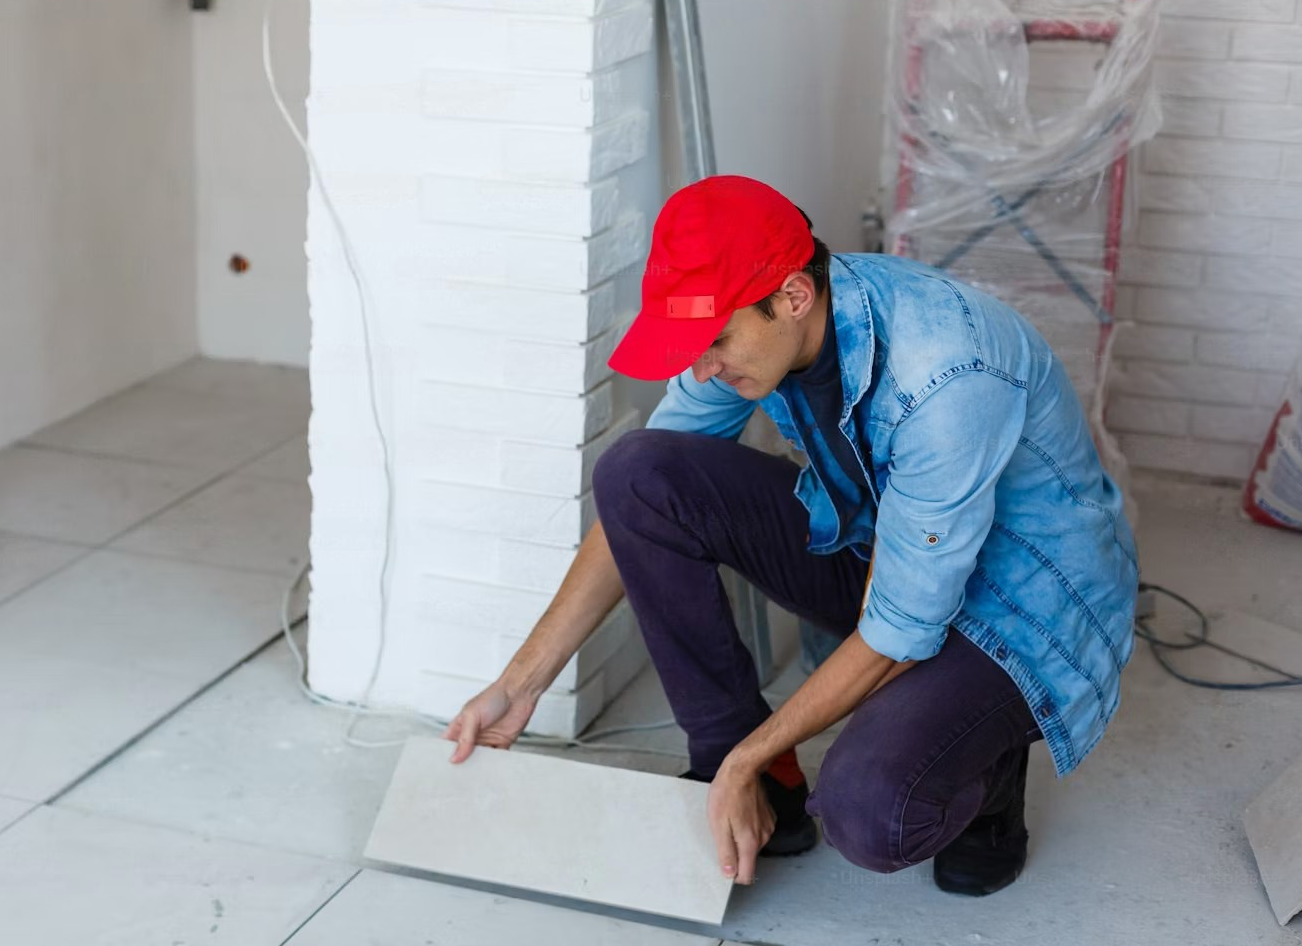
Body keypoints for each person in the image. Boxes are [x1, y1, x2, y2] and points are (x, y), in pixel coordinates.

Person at [444, 175, 1138, 896]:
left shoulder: (947, 375)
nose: (703, 365)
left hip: (1015, 614)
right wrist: (518, 685)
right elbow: (639, 502)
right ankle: (748, 777)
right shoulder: (757, 334)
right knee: (637, 472)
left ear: (793, 297)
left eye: (714, 340)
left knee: (871, 815)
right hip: (888, 555)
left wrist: (753, 752)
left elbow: (903, 626)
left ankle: (987, 774)